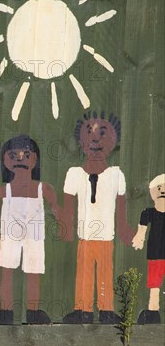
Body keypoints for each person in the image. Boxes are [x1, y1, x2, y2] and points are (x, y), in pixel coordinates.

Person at [62, 111, 134, 324]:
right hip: (84, 235)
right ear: (81, 141)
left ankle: (106, 310)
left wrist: (124, 230)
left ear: (113, 142)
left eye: (103, 134)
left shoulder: (116, 175)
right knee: (83, 271)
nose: (95, 139)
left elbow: (121, 207)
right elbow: (68, 204)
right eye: (89, 133)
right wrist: (65, 227)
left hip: (106, 235)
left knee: (105, 271)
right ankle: (82, 309)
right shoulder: (74, 173)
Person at [0, 135, 61, 325]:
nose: (20, 158)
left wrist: (63, 223)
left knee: (33, 273)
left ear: (35, 159)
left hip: (34, 235)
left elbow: (56, 209)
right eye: (13, 155)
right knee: (7, 271)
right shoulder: (1, 191)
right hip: (10, 234)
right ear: (4, 160)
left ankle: (33, 312)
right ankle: (6, 311)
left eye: (26, 154)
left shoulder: (44, 189)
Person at [132, 174, 165, 324]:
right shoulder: (149, 212)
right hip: (155, 254)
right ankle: (153, 311)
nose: (162, 191)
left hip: (156, 254)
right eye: (159, 188)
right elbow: (142, 228)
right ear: (153, 192)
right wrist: (139, 237)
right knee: (155, 284)